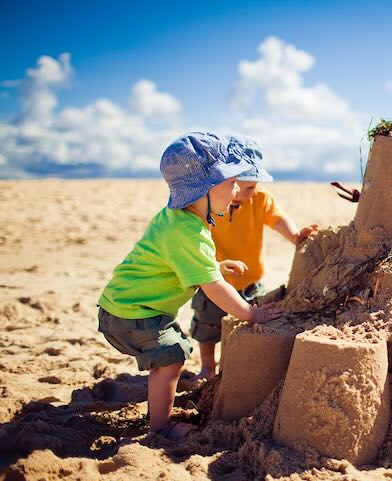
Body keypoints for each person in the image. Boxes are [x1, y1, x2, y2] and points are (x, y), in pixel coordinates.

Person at [97, 132, 282, 440]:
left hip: (124, 306)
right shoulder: (188, 232)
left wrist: (215, 268)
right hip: (130, 314)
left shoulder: (176, 219)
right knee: (173, 356)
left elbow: (181, 263)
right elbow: (214, 288)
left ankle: (161, 415)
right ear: (204, 189)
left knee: (173, 353)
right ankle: (161, 426)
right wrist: (252, 314)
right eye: (231, 182)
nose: (237, 190)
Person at [191, 137, 318, 380]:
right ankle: (207, 367)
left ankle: (233, 368)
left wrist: (295, 235)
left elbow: (277, 219)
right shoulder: (212, 201)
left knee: (249, 324)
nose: (243, 193)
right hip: (212, 278)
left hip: (250, 280)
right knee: (207, 326)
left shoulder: (259, 199)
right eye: (238, 185)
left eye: (251, 187)